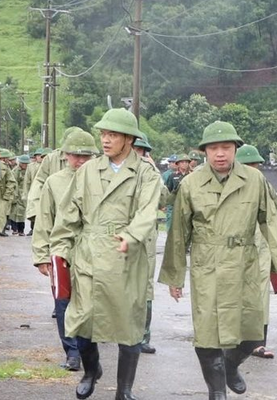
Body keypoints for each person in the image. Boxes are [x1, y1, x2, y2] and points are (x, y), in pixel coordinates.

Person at [160, 121, 277, 400]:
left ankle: (231, 365)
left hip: (244, 262)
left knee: (252, 333)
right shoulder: (191, 183)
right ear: (204, 152)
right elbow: (178, 234)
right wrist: (174, 277)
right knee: (208, 334)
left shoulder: (254, 180)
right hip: (207, 264)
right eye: (213, 148)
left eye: (226, 148)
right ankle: (217, 392)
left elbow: (271, 220)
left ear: (235, 150)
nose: (220, 154)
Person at [50, 108, 162, 400]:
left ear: (128, 139)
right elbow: (68, 215)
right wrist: (59, 251)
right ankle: (91, 371)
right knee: (82, 321)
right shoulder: (88, 170)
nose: (105, 140)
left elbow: (148, 211)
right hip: (88, 256)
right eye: (103, 134)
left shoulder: (145, 173)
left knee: (129, 327)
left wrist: (131, 235)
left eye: (112, 135)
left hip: (127, 258)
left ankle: (124, 390)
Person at [32, 129, 98, 372]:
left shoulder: (101, 181)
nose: (80, 161)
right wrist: (41, 255)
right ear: (65, 156)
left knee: (90, 302)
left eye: (86, 156)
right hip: (62, 250)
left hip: (93, 250)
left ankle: (86, 349)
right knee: (62, 301)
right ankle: (71, 351)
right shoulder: (54, 182)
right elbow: (44, 220)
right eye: (75, 156)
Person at [236, 144, 276, 360]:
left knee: (261, 295)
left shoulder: (265, 186)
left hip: (261, 247)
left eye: (256, 165)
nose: (254, 169)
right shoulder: (230, 187)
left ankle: (259, 343)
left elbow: (274, 216)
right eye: (249, 165)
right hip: (235, 248)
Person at [132, 134, 166, 355]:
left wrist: (155, 172)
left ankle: (143, 336)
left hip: (145, 238)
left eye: (140, 151)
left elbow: (164, 199)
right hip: (116, 237)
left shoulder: (151, 173)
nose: (137, 155)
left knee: (145, 288)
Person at [161, 153, 192, 232]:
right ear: (177, 164)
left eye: (186, 162)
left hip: (187, 204)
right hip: (173, 204)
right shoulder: (172, 176)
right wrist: (164, 204)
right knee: (171, 226)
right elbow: (168, 190)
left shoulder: (192, 176)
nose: (184, 164)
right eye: (182, 162)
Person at [9, 154, 31, 235]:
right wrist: (16, 194)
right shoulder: (15, 171)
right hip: (17, 193)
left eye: (26, 164)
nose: (25, 165)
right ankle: (15, 229)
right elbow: (14, 183)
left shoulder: (29, 170)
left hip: (25, 193)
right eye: (23, 163)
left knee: (22, 214)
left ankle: (21, 230)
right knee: (14, 213)